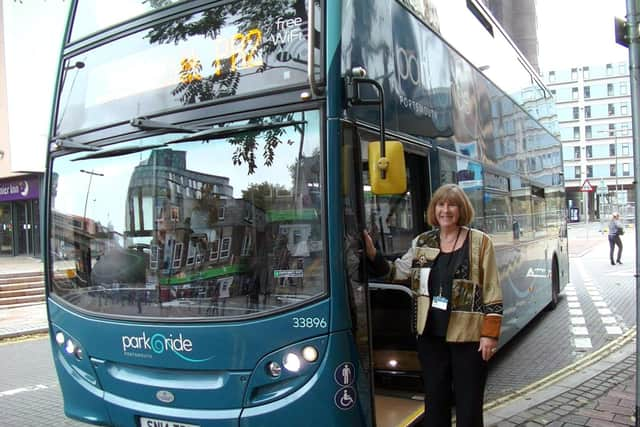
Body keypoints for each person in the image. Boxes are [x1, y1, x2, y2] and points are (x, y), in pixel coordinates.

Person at [364, 183, 502, 427]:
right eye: (441, 204)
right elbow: (397, 272)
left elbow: (492, 289)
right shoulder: (422, 242)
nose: (445, 210)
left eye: (452, 205)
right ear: (434, 208)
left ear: (461, 210)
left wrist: (489, 335)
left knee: (468, 404)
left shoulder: (480, 242)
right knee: (435, 402)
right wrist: (374, 255)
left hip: (468, 339)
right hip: (430, 335)